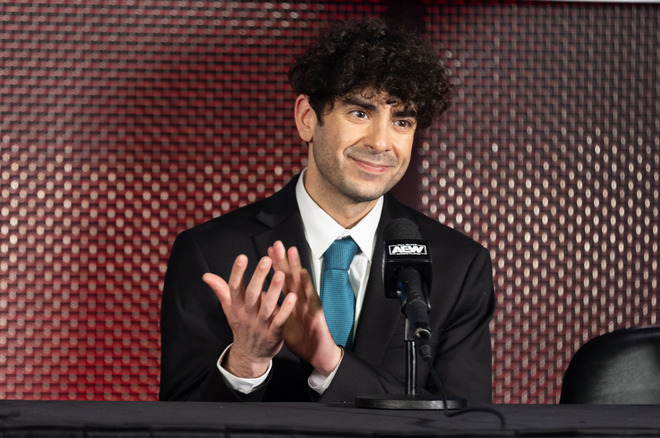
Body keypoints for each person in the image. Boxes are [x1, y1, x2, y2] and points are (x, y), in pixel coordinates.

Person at [159, 18, 495, 404]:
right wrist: (245, 363)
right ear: (307, 118)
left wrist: (331, 363)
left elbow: (464, 422)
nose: (381, 142)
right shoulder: (211, 253)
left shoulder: (459, 265)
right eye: (360, 113)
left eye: (402, 121)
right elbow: (180, 417)